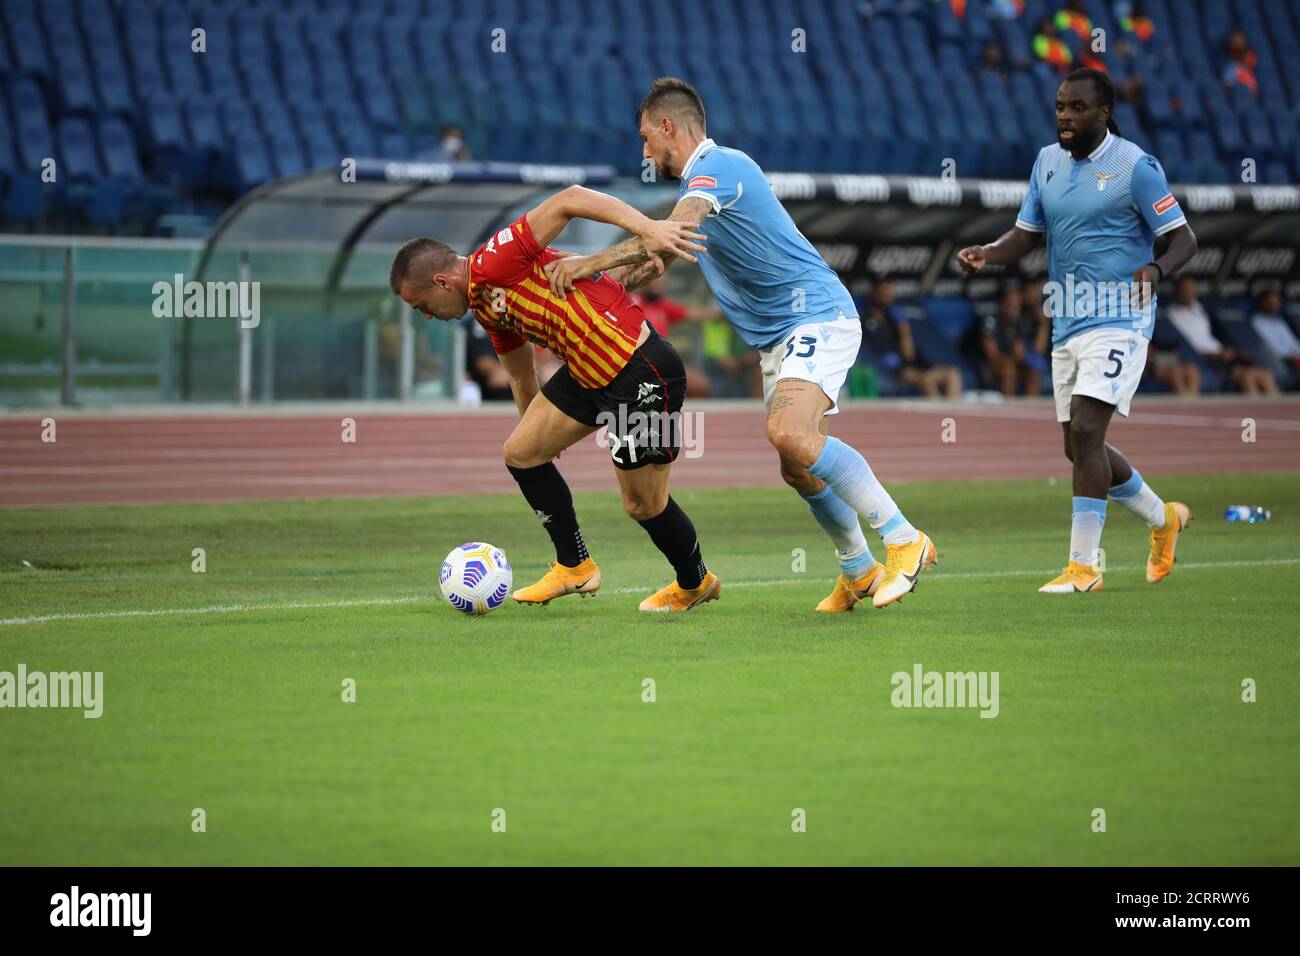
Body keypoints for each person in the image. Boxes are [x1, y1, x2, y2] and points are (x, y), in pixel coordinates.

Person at [545, 78, 938, 612]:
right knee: (795, 462)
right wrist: (587, 291)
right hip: (779, 338)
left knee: (788, 431)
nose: (644, 152)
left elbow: (670, 232)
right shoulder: (698, 193)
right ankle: (858, 569)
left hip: (817, 317)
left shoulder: (719, 166)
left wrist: (586, 263)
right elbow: (653, 259)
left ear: (669, 127)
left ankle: (903, 538)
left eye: (645, 138)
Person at [390, 185, 723, 612]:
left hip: (638, 368)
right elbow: (520, 373)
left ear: (442, 281)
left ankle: (696, 582)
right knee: (522, 452)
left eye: (422, 305)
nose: (426, 315)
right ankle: (575, 566)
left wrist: (649, 228)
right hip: (585, 372)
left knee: (643, 504)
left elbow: (570, 198)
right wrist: (540, 435)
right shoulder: (487, 306)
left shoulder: (496, 258)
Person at [957, 67, 1199, 593]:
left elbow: (1183, 239)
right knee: (1077, 447)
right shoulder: (1046, 162)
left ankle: (1084, 568)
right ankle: (1164, 520)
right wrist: (987, 254)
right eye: (1061, 106)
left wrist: (1157, 271)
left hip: (1122, 317)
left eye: (1077, 107)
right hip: (1067, 317)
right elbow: (1025, 236)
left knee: (1090, 432)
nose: (1065, 115)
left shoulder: (1135, 166)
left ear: (1104, 112)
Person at [1165, 275, 1277, 395]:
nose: (1189, 293)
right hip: (1204, 358)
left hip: (1220, 354)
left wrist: (1227, 350)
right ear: (1177, 291)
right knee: (1248, 377)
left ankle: (1276, 413)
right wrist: (1215, 354)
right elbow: (1186, 345)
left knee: (1265, 375)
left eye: (1192, 289)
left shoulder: (1200, 310)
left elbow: (1210, 337)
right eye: (1185, 289)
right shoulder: (1171, 314)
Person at [864, 279, 963, 398]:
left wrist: (904, 328)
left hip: (917, 364)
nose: (888, 295)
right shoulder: (866, 320)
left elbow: (910, 354)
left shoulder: (894, 317)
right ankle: (938, 414)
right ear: (874, 292)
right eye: (884, 291)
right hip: (897, 369)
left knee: (953, 373)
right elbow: (884, 353)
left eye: (890, 291)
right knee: (925, 379)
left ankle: (951, 414)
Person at [629, 274, 721, 397]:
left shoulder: (663, 305)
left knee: (701, 386)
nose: (657, 285)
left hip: (663, 364)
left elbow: (694, 314)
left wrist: (729, 310)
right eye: (654, 281)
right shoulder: (632, 302)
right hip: (639, 364)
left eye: (661, 282)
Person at [981, 284, 1047, 396]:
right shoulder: (991, 321)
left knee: (1034, 371)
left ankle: (1030, 408)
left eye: (1017, 304)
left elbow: (1022, 351)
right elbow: (991, 354)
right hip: (992, 364)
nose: (1014, 307)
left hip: (1013, 362)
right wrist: (1013, 358)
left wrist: (1043, 324)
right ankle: (1008, 408)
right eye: (1011, 303)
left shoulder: (1018, 322)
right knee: (1008, 368)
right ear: (1002, 304)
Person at [1251, 288, 1300, 374]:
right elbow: (1268, 348)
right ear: (1263, 302)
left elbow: (1292, 342)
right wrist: (1290, 356)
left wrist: (1297, 354)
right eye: (1271, 301)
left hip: (1295, 359)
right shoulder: (1257, 322)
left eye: (1277, 301)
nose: (1275, 304)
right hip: (1281, 361)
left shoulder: (1280, 321)